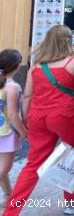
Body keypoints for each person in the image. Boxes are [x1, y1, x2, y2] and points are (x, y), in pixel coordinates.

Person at [4, 25, 74, 216]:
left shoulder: (36, 65)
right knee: (72, 157)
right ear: (68, 41)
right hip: (66, 117)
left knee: (33, 165)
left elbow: (27, 97)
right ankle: (72, 202)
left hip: (38, 117)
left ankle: (11, 212)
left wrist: (26, 121)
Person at [0, 50, 26, 207]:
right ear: (16, 67)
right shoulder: (13, 86)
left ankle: (9, 195)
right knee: (4, 167)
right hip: (7, 132)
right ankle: (9, 196)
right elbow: (13, 114)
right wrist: (23, 132)